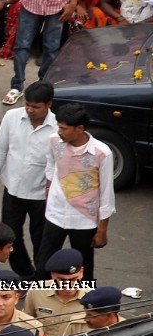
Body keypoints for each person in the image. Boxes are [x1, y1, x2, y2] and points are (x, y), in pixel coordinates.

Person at [0, 79, 58, 280]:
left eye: (36, 107)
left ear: (49, 104)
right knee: (10, 237)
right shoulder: (12, 117)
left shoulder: (57, 129)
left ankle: (41, 280)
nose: (30, 110)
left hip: (41, 195)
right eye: (27, 105)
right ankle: (24, 274)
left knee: (41, 239)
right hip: (13, 190)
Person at [33, 103, 114, 282]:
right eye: (58, 126)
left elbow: (107, 193)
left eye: (63, 128)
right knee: (44, 266)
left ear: (80, 129)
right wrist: (48, 196)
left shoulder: (101, 153)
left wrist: (102, 230)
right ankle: (38, 305)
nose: (59, 131)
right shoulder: (54, 141)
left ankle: (87, 308)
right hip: (55, 214)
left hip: (84, 220)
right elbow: (50, 167)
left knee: (84, 271)